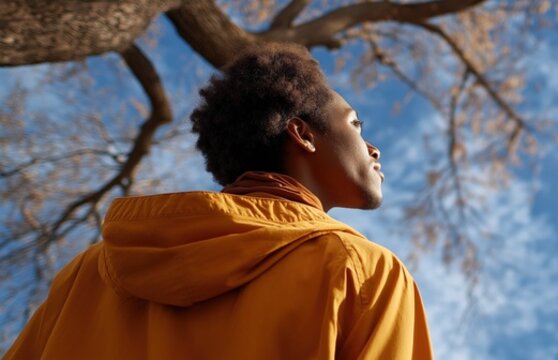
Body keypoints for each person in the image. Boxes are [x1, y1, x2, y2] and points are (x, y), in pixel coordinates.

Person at [3, 43, 432, 359]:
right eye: (356, 125)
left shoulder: (88, 275)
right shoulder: (359, 271)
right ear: (303, 134)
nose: (372, 147)